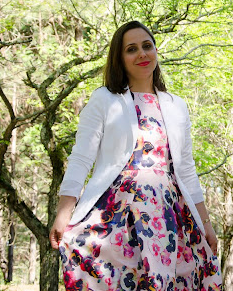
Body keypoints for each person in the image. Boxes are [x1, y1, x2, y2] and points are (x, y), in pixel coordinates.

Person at [49, 21, 222, 290]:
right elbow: (81, 158)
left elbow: (186, 169)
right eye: (131, 49)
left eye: (147, 46)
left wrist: (205, 223)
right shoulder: (104, 99)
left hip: (169, 214)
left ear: (155, 51)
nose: (142, 53)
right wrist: (63, 212)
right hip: (117, 212)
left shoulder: (176, 105)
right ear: (120, 59)